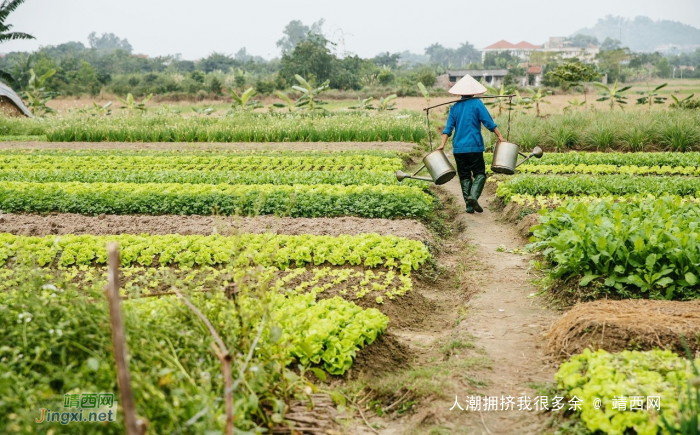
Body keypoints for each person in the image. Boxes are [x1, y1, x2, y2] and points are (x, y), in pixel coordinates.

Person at [437, 75, 505, 214]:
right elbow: (488, 122)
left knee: (464, 176)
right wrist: (499, 135)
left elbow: (448, 128)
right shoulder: (477, 103)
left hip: (458, 149)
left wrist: (442, 144)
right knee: (480, 173)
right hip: (474, 146)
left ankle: (469, 206)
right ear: (473, 91)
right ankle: (473, 197)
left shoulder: (454, 107)